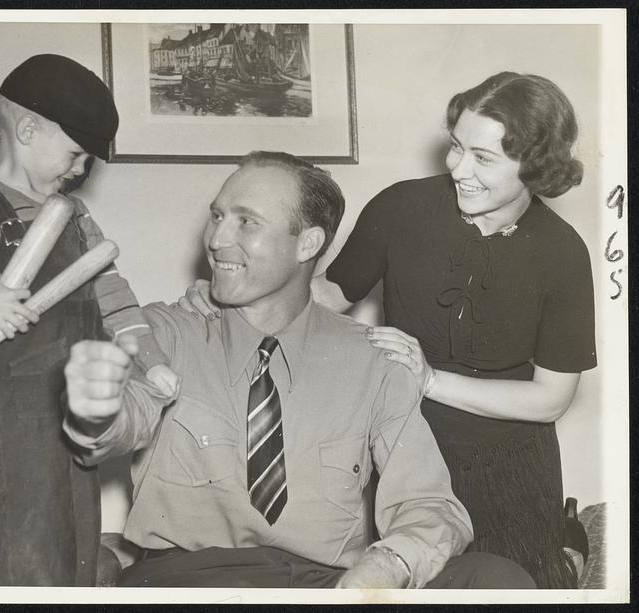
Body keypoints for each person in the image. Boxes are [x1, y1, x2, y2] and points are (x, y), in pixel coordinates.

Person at [181, 73, 595, 588]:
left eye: (483, 159)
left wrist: (430, 380)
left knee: (518, 584)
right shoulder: (401, 207)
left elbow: (550, 399)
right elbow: (326, 297)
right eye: (457, 147)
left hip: (508, 465)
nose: (458, 169)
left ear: (535, 167)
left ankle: (566, 549)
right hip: (403, 447)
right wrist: (231, 300)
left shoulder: (563, 253)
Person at [62, 151, 536, 589]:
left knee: (494, 579)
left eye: (246, 222)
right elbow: (128, 417)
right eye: (217, 216)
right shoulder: (163, 332)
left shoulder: (371, 362)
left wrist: (390, 564)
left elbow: (430, 503)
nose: (217, 239)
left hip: (322, 585)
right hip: (191, 580)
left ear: (307, 243)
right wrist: (98, 410)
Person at [0, 54, 180, 586]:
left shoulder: (76, 215)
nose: (80, 170)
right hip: (0, 416)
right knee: (12, 538)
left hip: (70, 410)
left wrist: (151, 362)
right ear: (26, 129)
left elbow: (113, 296)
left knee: (75, 535)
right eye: (75, 154)